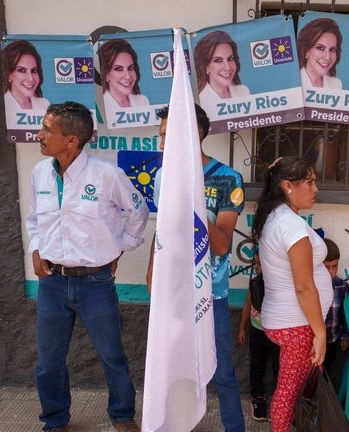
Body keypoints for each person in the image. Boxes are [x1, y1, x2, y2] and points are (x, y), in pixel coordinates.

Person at [26, 101, 149, 432]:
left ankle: (122, 415)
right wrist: (37, 249)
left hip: (95, 283)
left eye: (47, 130)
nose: (39, 135)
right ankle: (54, 419)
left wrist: (120, 249)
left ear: (71, 140)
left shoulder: (107, 175)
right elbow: (35, 219)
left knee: (113, 356)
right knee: (49, 362)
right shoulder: (40, 174)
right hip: (52, 283)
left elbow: (138, 213)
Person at [146, 104, 246, 432]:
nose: (162, 143)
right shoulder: (162, 177)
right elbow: (162, 228)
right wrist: (152, 268)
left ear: (195, 134)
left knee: (223, 372)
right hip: (172, 292)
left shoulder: (228, 178)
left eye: (168, 135)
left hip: (210, 293)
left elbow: (221, 245)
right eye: (160, 136)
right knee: (173, 368)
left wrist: (193, 202)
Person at [251, 156, 333, 432]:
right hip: (297, 323)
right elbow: (304, 286)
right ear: (287, 185)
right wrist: (320, 333)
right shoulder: (291, 226)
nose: (315, 188)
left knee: (296, 387)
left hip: (288, 319)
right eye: (309, 182)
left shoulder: (276, 217)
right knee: (290, 390)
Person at [237, 250, 279, 422]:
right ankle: (258, 399)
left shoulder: (280, 283)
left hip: (277, 332)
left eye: (260, 264)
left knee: (279, 368)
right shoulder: (254, 283)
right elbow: (248, 304)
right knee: (257, 366)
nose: (256, 267)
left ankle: (280, 401)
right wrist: (242, 328)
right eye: (255, 263)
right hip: (257, 330)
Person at [322, 237, 349, 391]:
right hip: (310, 342)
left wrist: (345, 336)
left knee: (327, 371)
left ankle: (323, 403)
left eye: (334, 266)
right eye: (326, 267)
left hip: (332, 339)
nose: (331, 272)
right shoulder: (308, 285)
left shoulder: (341, 286)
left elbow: (344, 316)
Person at [194, 31, 251, 106]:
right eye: (218, 60)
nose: (227, 67)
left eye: (230, 59)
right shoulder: (199, 102)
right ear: (205, 68)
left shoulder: (243, 91)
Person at [98, 39, 150, 111]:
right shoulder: (101, 108)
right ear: (106, 74)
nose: (128, 76)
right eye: (119, 69)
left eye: (131, 68)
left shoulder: (143, 101)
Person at [2, 40, 51, 111]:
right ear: (9, 75)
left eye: (34, 71)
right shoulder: (2, 106)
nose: (31, 78)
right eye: (22, 70)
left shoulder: (45, 105)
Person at [297, 18, 343, 90]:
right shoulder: (294, 83)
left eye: (332, 49)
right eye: (320, 48)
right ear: (306, 51)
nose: (327, 57)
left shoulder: (336, 84)